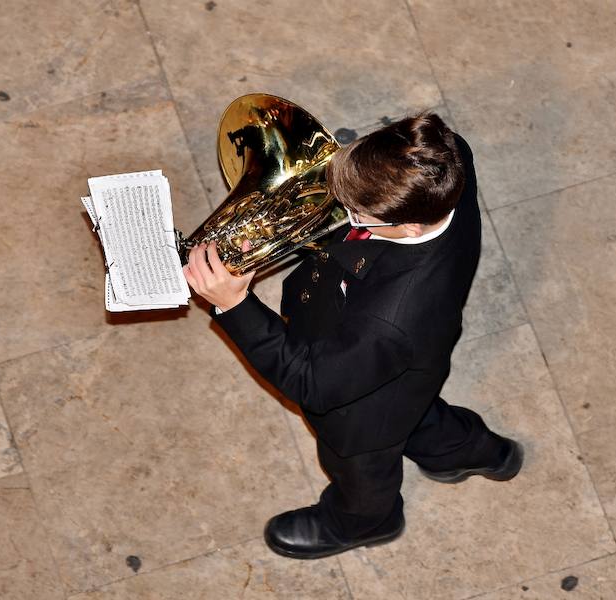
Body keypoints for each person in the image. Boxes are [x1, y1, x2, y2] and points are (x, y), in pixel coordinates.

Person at [182, 113, 523, 560]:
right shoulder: (447, 158)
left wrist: (235, 304)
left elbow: (313, 382)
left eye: (358, 212)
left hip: (361, 406)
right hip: (405, 366)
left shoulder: (391, 319)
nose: (346, 213)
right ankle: (474, 451)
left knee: (361, 462)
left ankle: (369, 522)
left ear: (411, 226)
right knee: (412, 410)